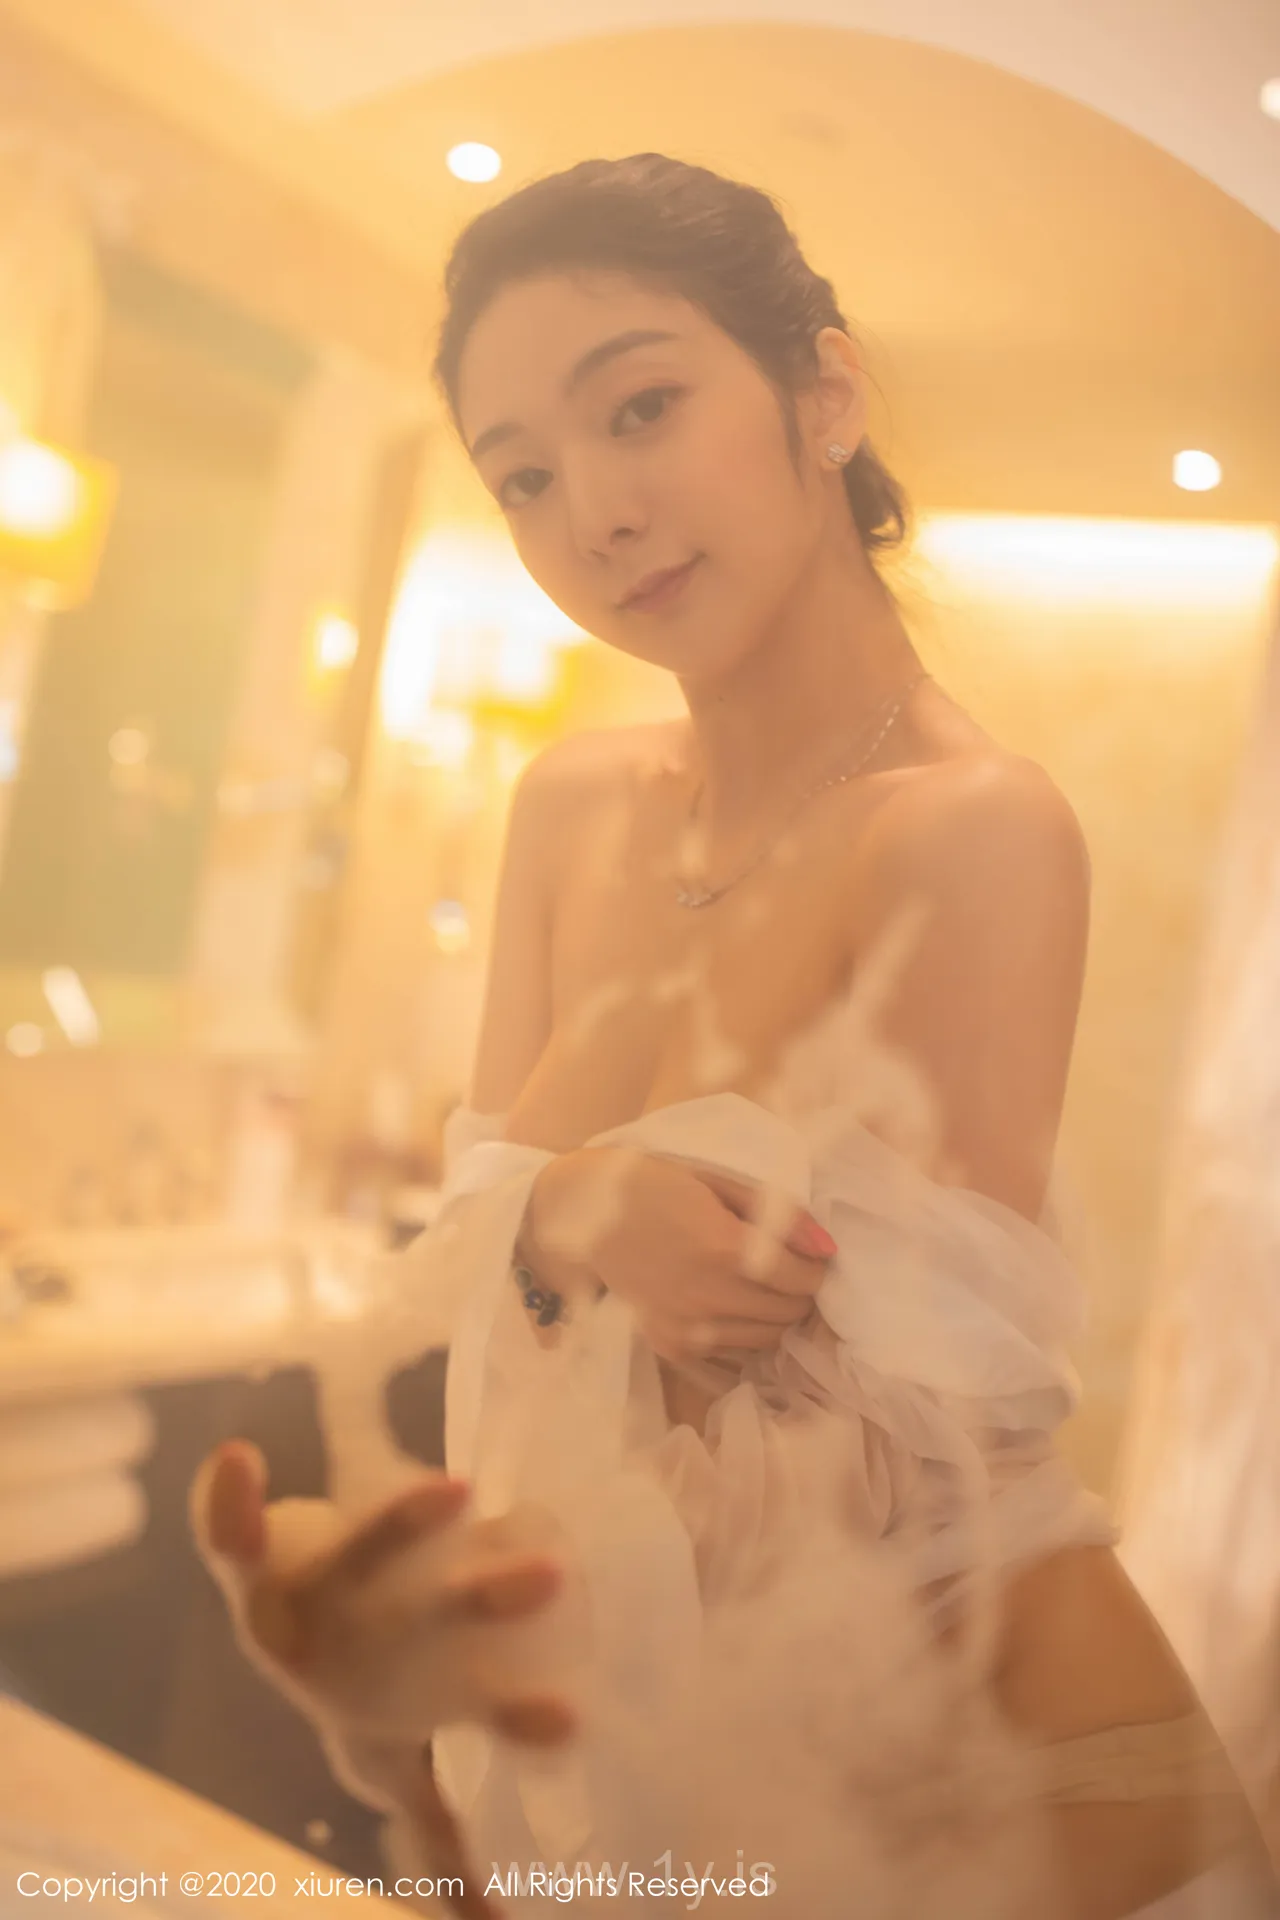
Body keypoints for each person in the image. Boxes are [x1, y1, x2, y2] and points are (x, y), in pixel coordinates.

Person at [192, 156, 1278, 1919]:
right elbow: (477, 1246)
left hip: (998, 1793)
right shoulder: (570, 806)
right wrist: (569, 1209)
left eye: (641, 408)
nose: (594, 515)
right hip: (674, 1754)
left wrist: (476, 1612)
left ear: (823, 394)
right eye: (525, 476)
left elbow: (896, 1448)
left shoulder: (971, 828)